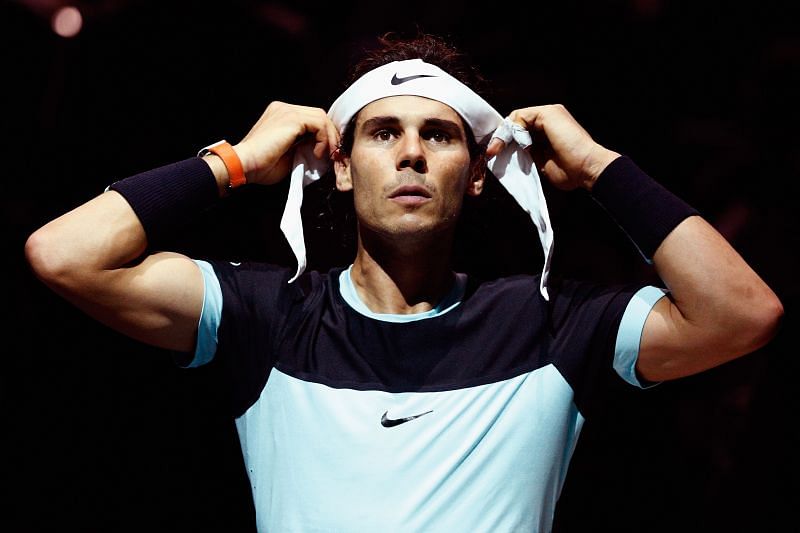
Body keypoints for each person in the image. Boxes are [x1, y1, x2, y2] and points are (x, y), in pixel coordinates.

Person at [24, 32, 783, 532]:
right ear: (344, 168)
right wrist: (234, 162)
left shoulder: (549, 320)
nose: (412, 153)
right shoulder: (270, 313)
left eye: (440, 134)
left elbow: (743, 313)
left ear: (480, 174)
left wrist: (597, 168)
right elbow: (64, 253)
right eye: (384, 133)